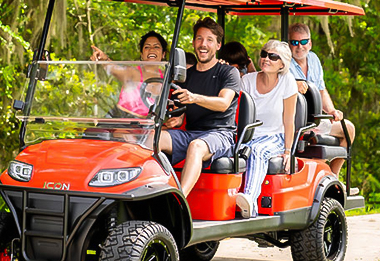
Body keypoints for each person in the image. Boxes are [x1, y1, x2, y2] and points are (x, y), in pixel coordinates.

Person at [158, 18, 241, 196]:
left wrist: (194, 98)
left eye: (209, 40)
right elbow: (181, 113)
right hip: (191, 133)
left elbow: (223, 104)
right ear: (194, 42)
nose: (203, 44)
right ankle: (148, 194)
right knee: (152, 139)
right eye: (199, 39)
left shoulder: (228, 72)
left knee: (196, 146)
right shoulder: (187, 75)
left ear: (218, 45)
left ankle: (179, 202)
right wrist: (175, 120)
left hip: (220, 134)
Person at [235, 40, 298, 218]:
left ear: (282, 64)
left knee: (257, 151)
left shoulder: (287, 81)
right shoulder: (247, 81)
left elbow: (289, 120)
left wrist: (288, 151)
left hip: (275, 136)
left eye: (273, 56)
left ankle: (249, 200)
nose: (266, 59)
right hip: (248, 136)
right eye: (264, 54)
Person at [288, 23, 355, 175]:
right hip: (294, 122)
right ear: (289, 44)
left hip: (315, 120)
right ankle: (319, 175)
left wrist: (331, 110)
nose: (299, 46)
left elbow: (321, 91)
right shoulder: (284, 63)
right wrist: (293, 84)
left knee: (349, 129)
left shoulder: (313, 59)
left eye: (303, 41)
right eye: (295, 42)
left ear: (310, 43)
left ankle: (332, 176)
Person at [91, 31, 167, 117]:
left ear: (163, 54)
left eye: (156, 47)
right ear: (142, 55)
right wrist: (103, 59)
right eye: (147, 47)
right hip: (122, 119)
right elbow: (114, 69)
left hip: (148, 123)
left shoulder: (166, 78)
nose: (152, 49)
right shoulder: (133, 72)